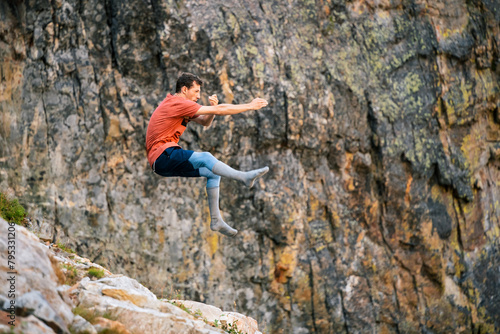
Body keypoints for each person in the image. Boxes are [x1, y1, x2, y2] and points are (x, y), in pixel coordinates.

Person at [146, 73, 269, 237]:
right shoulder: (178, 102)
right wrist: (250, 106)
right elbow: (221, 110)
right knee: (205, 157)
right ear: (184, 90)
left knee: (212, 172)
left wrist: (211, 111)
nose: (198, 96)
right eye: (196, 92)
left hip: (160, 163)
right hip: (162, 155)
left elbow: (205, 122)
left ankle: (216, 220)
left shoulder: (180, 104)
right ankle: (243, 177)